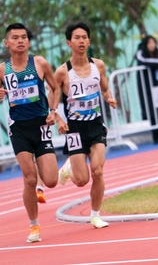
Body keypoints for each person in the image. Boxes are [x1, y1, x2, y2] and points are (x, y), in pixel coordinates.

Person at [0, 23, 63, 243]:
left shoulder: (40, 63)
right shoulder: (2, 69)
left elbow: (55, 88)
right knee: (29, 178)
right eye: (15, 38)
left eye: (24, 37)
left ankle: (58, 171)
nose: (20, 41)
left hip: (41, 126)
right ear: (7, 43)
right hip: (18, 128)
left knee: (51, 180)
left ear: (28, 41)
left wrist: (54, 111)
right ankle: (34, 226)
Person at [53, 22, 117, 229]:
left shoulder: (98, 65)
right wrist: (58, 118)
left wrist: (109, 98)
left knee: (98, 172)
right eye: (77, 38)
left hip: (96, 126)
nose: (81, 41)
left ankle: (95, 215)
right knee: (81, 180)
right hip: (75, 130)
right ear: (68, 43)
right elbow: (50, 99)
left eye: (84, 37)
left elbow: (105, 89)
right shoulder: (62, 72)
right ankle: (70, 166)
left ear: (89, 41)